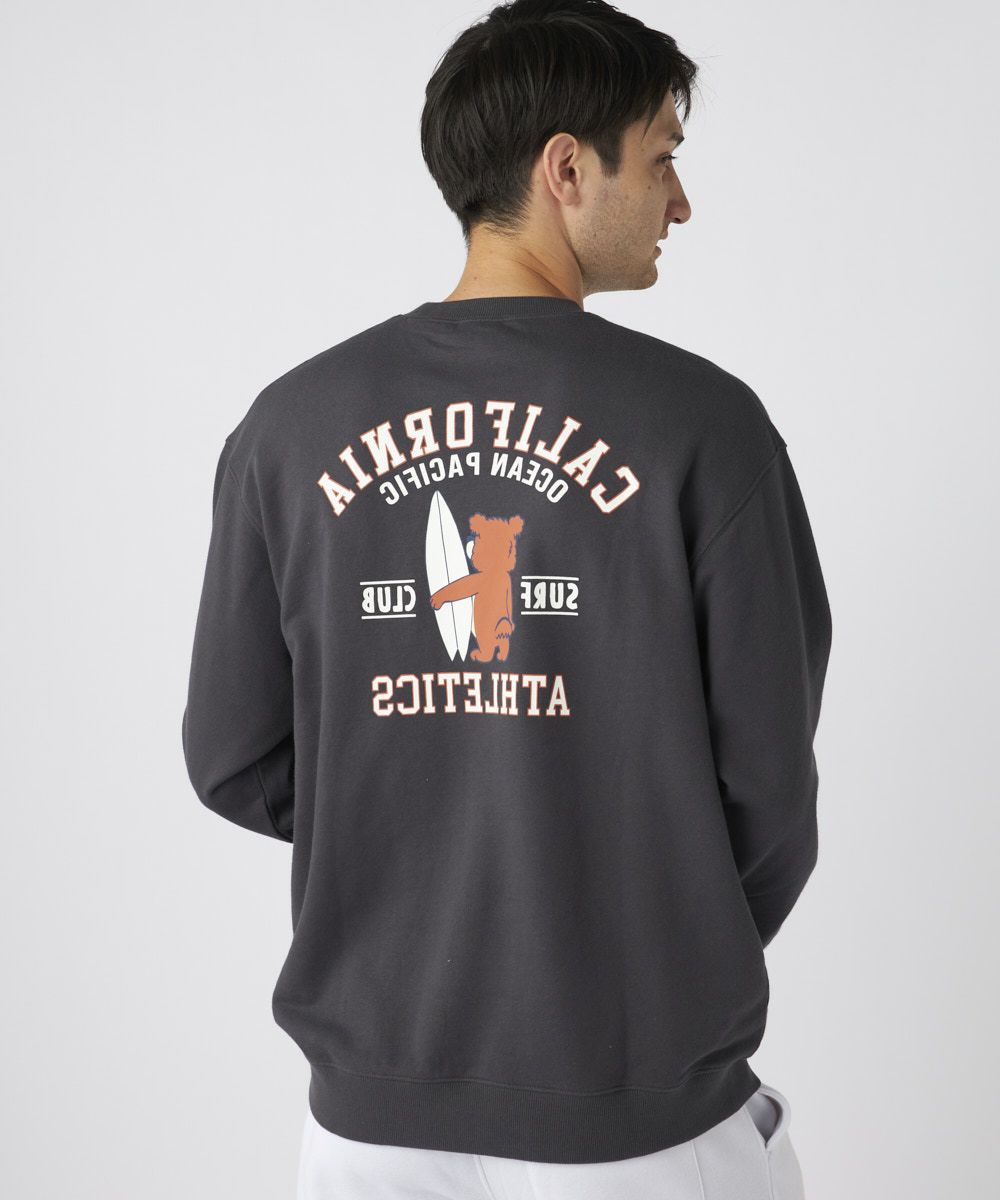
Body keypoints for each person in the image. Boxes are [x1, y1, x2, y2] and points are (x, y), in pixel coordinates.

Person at [181, 0, 832, 1196]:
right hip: (635, 1112)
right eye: (663, 159)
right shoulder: (700, 427)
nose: (681, 202)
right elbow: (768, 786)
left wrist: (416, 812)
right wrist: (637, 908)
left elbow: (232, 755)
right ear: (566, 170)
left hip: (369, 1126)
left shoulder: (289, 428)